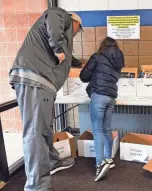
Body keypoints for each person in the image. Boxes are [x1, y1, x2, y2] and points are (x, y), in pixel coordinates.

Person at [9, 7, 83, 191]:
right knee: (36, 134)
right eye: (78, 30)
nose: (75, 35)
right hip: (35, 78)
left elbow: (67, 57)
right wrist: (58, 49)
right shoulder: (61, 15)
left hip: (42, 83)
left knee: (45, 128)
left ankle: (51, 162)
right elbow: (52, 19)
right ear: (75, 23)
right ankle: (37, 186)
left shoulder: (61, 37)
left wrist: (76, 61)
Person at [80, 37, 125, 182]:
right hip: (111, 97)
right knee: (106, 129)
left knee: (97, 129)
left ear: (102, 46)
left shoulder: (98, 57)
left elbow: (84, 76)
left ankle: (99, 165)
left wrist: (93, 74)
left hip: (98, 95)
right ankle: (108, 159)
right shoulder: (118, 61)